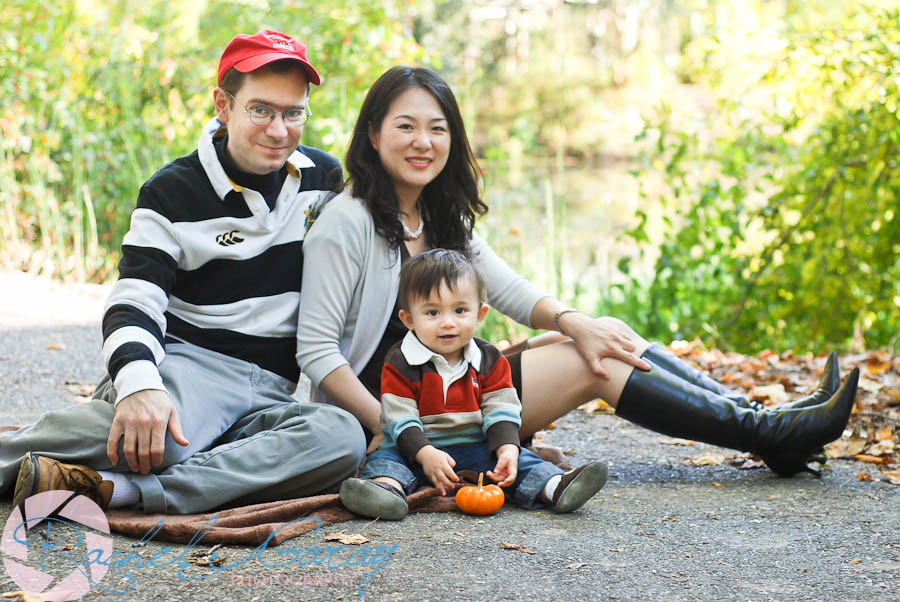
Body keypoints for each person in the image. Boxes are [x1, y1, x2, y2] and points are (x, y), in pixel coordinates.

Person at [297, 65, 859, 483]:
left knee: (603, 331)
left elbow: (510, 290)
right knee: (591, 361)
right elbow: (318, 354)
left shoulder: (439, 215)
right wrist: (394, 431)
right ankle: (768, 436)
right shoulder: (345, 224)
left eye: (437, 128)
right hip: (404, 405)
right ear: (373, 134)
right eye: (406, 127)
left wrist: (576, 320)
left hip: (461, 384)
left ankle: (769, 421)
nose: (424, 142)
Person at [1, 30, 365, 515]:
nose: (279, 129)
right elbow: (133, 302)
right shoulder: (172, 192)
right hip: (193, 372)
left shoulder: (321, 180)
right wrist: (140, 385)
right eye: (261, 110)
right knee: (162, 436)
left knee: (341, 438)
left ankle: (121, 490)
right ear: (223, 105)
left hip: (274, 391)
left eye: (292, 113)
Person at [339, 249, 608, 519]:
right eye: (432, 312)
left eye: (460, 310)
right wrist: (425, 452)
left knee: (520, 462)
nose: (448, 323)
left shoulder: (489, 359)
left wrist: (506, 449)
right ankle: (386, 491)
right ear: (409, 319)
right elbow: (400, 418)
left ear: (479, 314)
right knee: (386, 461)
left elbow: (501, 408)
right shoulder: (400, 361)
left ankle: (555, 488)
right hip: (414, 448)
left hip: (474, 447)